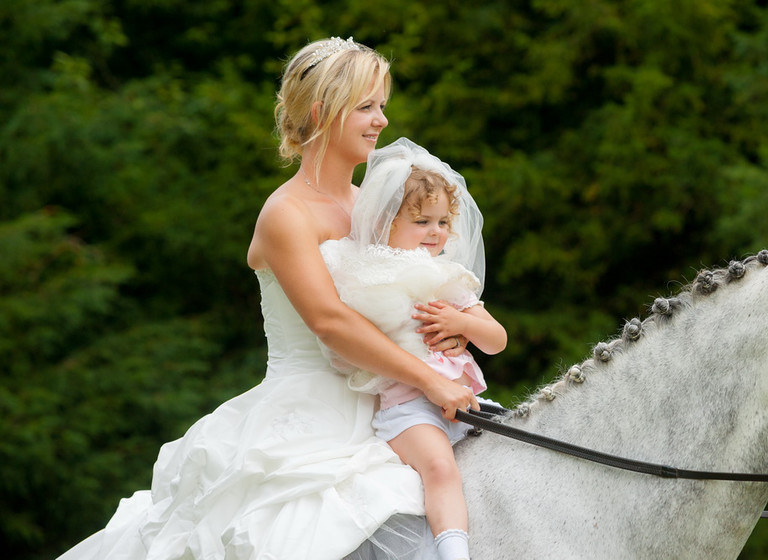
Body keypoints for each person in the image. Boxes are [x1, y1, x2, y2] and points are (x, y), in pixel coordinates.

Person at [57, 37, 478, 560]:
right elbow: (329, 321)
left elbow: (413, 281)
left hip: (390, 401)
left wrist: (451, 324)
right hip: (313, 410)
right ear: (324, 112)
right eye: (367, 107)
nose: (381, 121)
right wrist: (431, 380)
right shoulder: (287, 214)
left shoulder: (377, 205)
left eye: (382, 107)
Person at [319, 138, 507, 560]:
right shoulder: (369, 276)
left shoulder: (448, 277)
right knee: (440, 469)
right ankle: (453, 553)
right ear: (387, 223)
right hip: (410, 410)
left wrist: (463, 324)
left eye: (443, 223)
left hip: (466, 404)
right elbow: (352, 340)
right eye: (422, 221)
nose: (436, 232)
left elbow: (497, 341)